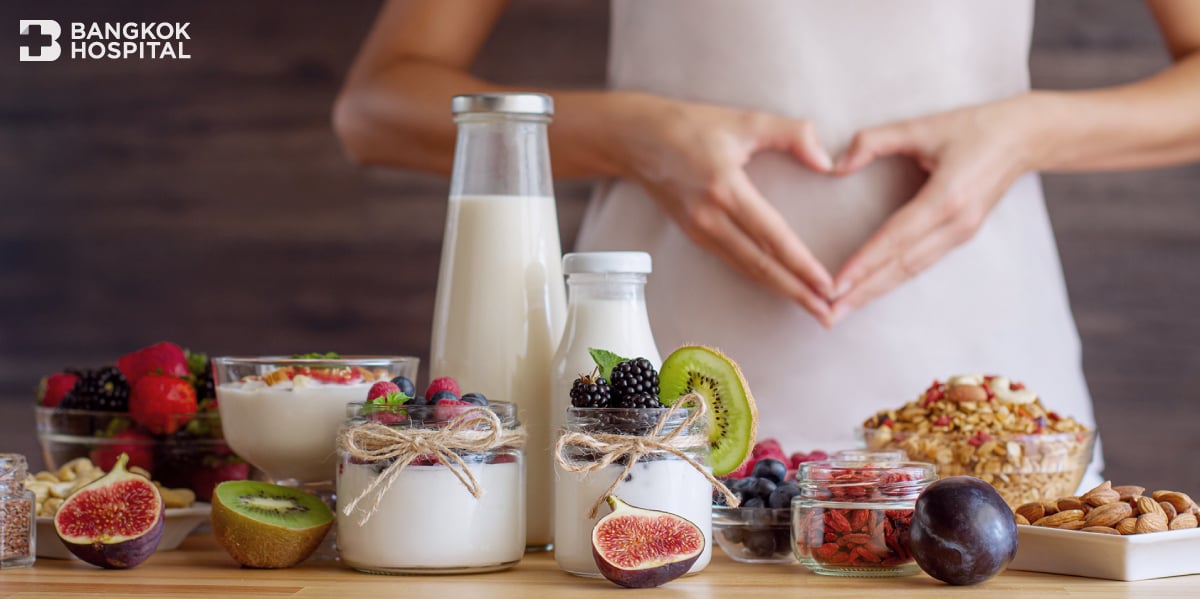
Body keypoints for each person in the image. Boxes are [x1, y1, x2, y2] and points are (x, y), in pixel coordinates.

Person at [332, 0, 1200, 476]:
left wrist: (1028, 133)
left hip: (994, 408)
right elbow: (377, 106)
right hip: (653, 402)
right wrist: (631, 132)